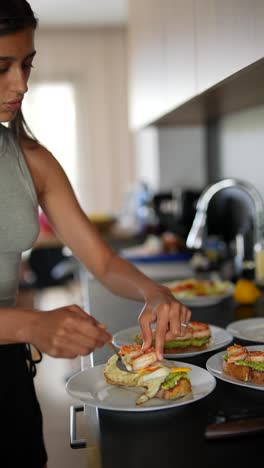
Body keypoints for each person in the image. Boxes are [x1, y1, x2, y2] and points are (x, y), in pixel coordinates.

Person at [0, 1, 192, 467]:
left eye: (27, 65)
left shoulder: (29, 159)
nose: (21, 84)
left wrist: (153, 291)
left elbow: (102, 262)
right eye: (2, 67)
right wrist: (30, 324)